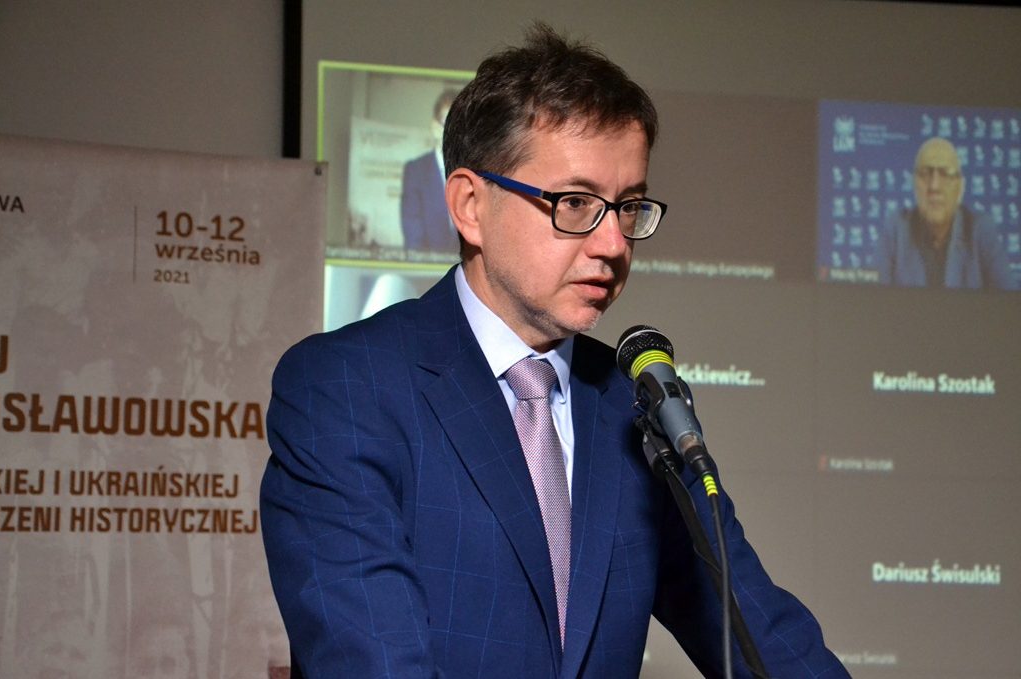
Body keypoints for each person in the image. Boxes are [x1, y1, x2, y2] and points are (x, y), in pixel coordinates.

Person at [261, 24, 847, 678]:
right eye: (575, 203)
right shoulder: (345, 388)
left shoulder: (635, 409)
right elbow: (372, 659)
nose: (613, 244)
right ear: (470, 206)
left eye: (628, 207)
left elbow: (761, 633)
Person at [874, 137, 1015, 289]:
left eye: (945, 174)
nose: (934, 186)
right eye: (925, 174)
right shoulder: (896, 229)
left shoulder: (980, 229)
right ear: (914, 183)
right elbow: (875, 297)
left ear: (960, 187)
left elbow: (1008, 299)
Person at [400, 88, 460, 252]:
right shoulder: (416, 172)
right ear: (435, 126)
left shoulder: (476, 173)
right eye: (447, 124)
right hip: (428, 267)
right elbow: (413, 240)